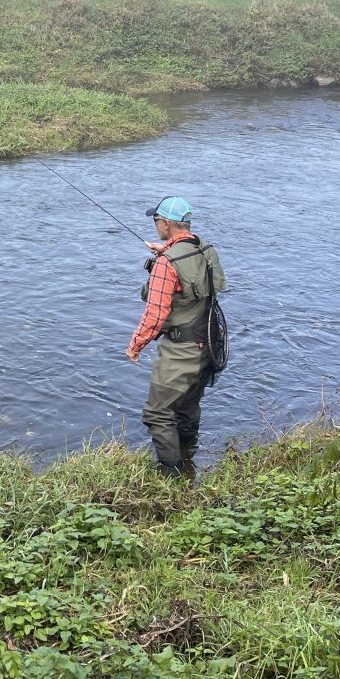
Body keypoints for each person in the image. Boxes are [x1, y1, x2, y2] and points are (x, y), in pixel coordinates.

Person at [126, 196, 227, 475]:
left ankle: (173, 474)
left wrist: (136, 345)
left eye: (157, 220)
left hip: (180, 348)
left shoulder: (167, 264)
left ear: (167, 224)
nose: (156, 225)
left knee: (157, 413)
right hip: (208, 341)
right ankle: (188, 455)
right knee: (186, 406)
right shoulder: (206, 250)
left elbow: (155, 315)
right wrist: (166, 253)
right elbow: (208, 280)